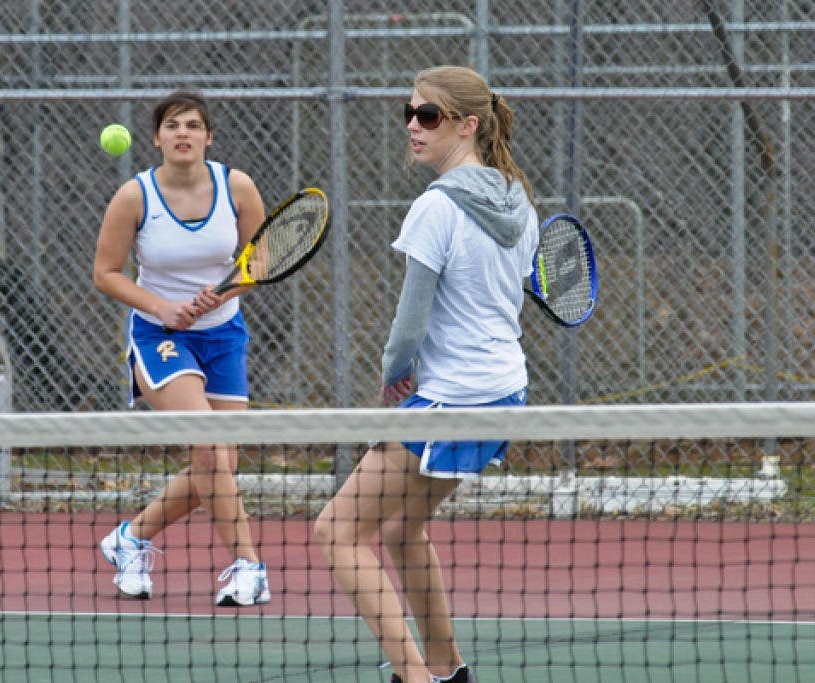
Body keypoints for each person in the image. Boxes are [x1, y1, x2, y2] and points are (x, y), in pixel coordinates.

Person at [314, 66, 540, 683]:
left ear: (467, 125)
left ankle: (412, 677)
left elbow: (408, 324)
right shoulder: (519, 200)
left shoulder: (435, 207)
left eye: (429, 115)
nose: (413, 126)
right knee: (400, 529)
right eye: (409, 112)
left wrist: (394, 372)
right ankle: (446, 671)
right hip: (505, 392)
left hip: (454, 397)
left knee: (336, 531)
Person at [92, 90, 271, 607]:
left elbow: (261, 260)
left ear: (208, 136)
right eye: (172, 126)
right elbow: (105, 272)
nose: (183, 134)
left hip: (224, 334)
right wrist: (164, 308)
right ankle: (250, 566)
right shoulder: (134, 197)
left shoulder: (237, 187)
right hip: (160, 336)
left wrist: (224, 293)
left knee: (220, 464)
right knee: (209, 448)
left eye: (193, 125)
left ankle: (130, 538)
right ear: (157, 138)